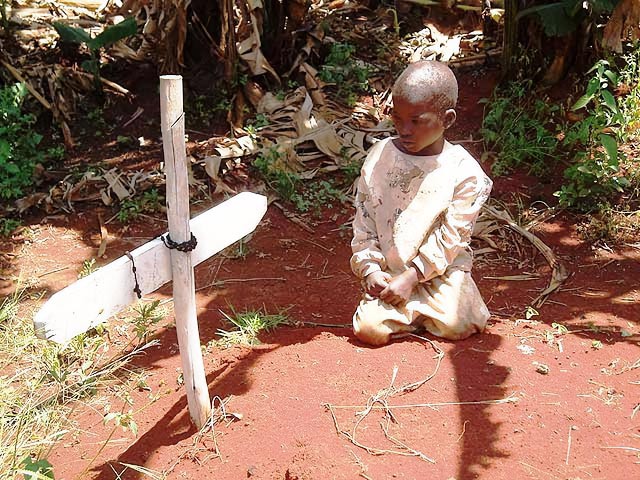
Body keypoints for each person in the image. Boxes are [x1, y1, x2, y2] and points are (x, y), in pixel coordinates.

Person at [350, 60, 493, 346]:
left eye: (416, 121)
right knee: (368, 330)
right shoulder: (380, 157)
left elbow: (452, 238)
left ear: (448, 120)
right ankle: (413, 311)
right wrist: (371, 270)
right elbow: (364, 221)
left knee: (460, 322)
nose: (404, 130)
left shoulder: (463, 172)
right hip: (391, 272)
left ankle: (412, 310)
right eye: (397, 118)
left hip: (441, 272)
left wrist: (413, 277)